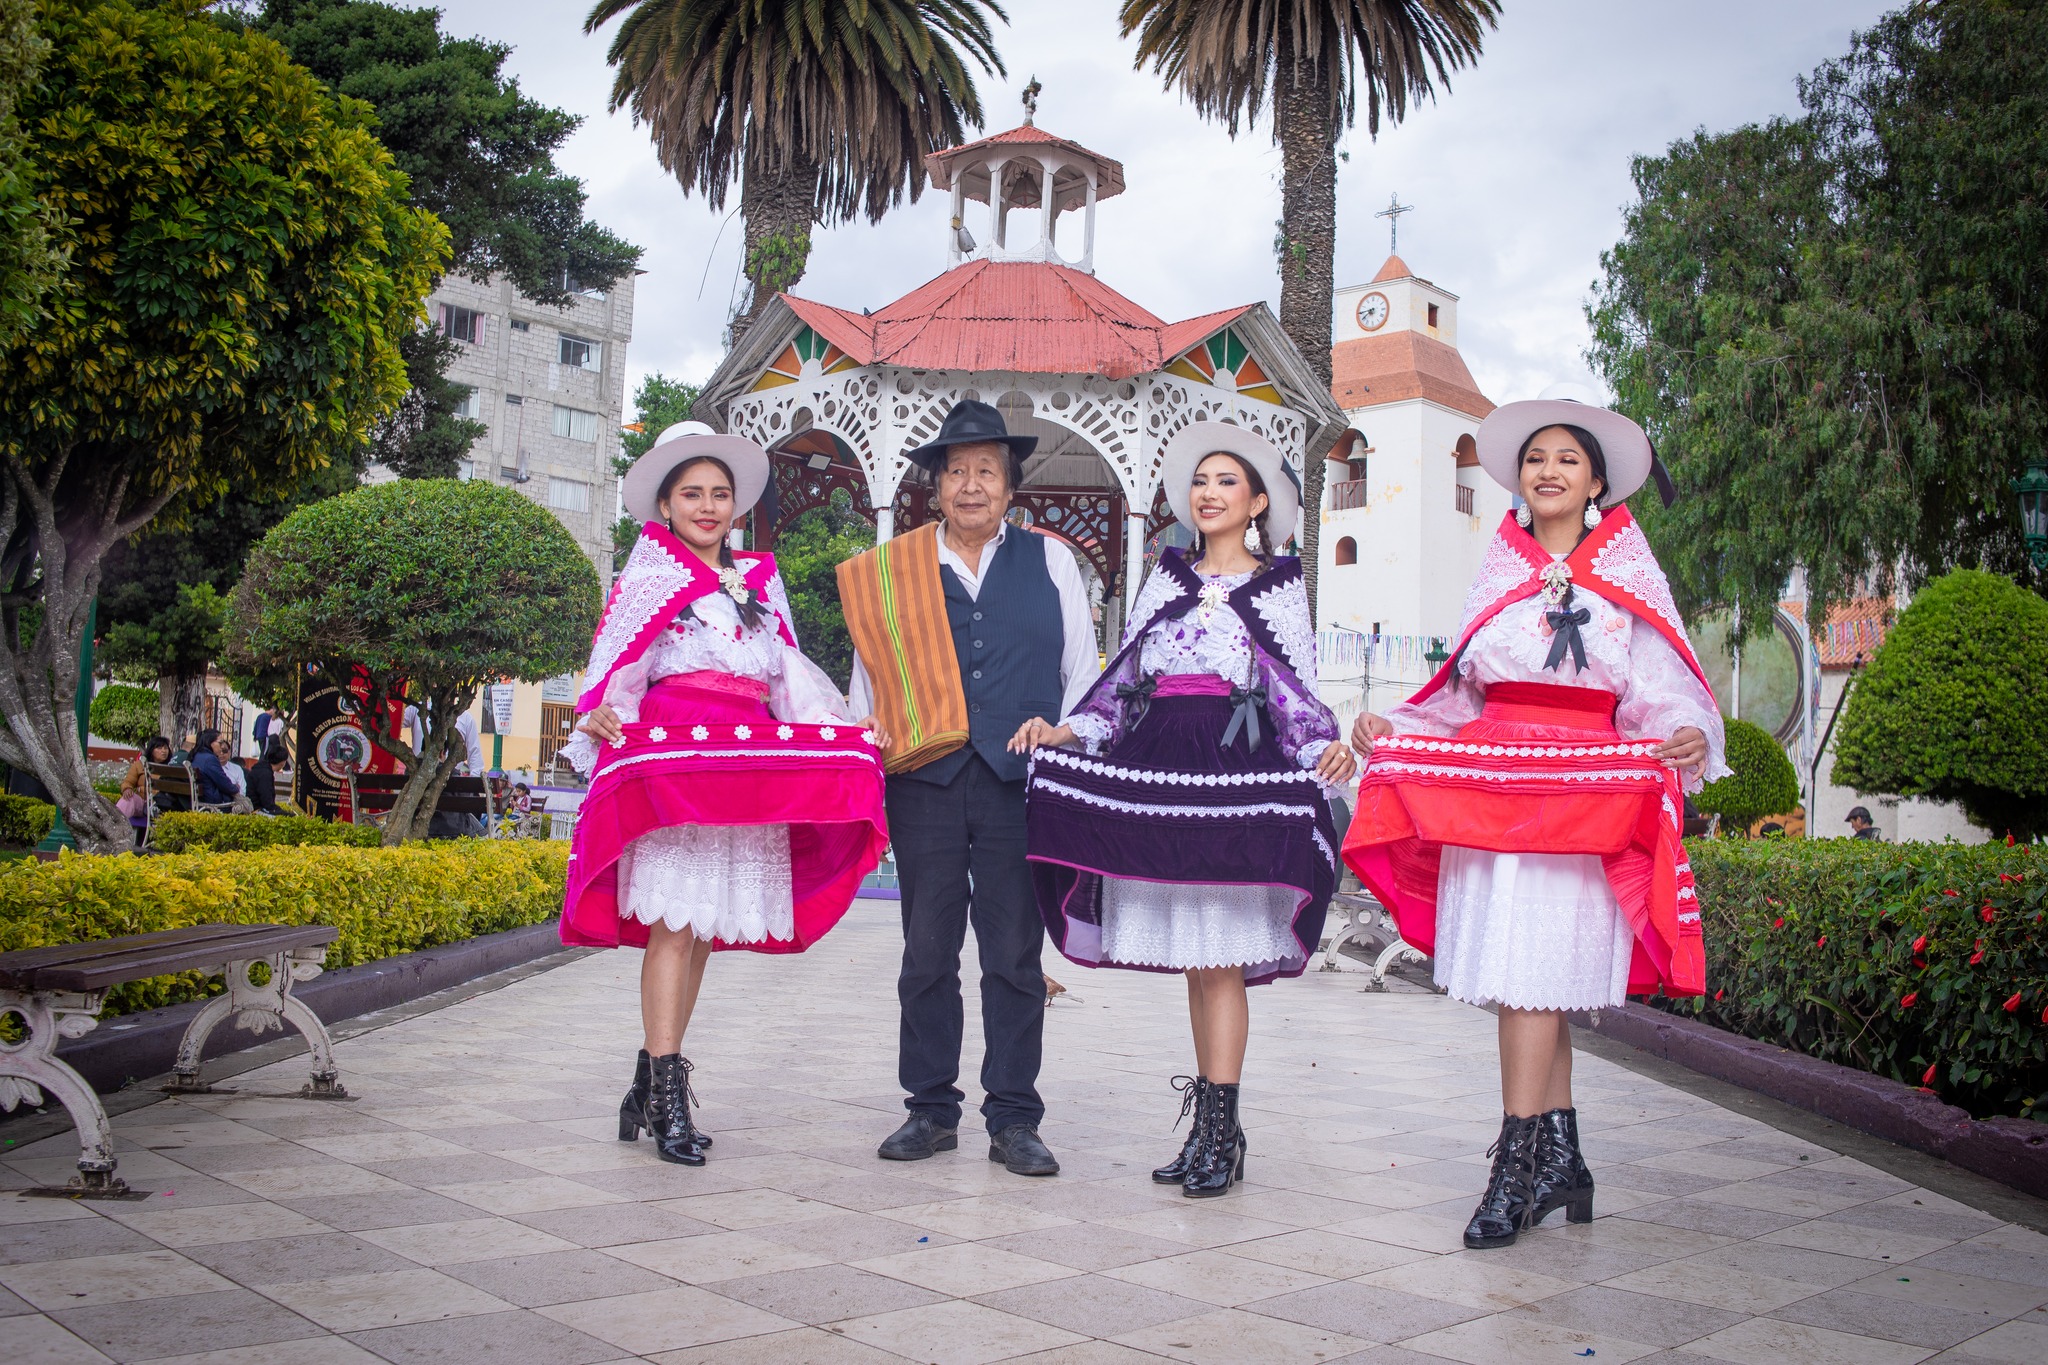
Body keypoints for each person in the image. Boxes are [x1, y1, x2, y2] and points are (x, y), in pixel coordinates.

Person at [1343, 383, 1727, 1251]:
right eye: (1537, 459)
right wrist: (1391, 728)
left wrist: (1686, 732)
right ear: (1519, 478)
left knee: (1530, 976)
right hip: (1496, 790)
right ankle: (1560, 1159)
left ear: (1597, 482)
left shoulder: (1630, 577)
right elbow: (1461, 691)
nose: (1549, 470)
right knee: (1531, 978)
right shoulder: (1501, 570)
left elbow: (1667, 684)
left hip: (1581, 796)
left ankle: (1515, 1167)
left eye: (1569, 459)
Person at [1012, 422, 1353, 1198]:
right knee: (1199, 966)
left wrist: (1323, 751)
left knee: (1219, 958)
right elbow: (1120, 688)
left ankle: (1222, 1134)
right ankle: (1210, 1130)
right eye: (1202, 481)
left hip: (1233, 772)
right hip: (1162, 766)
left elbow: (1292, 692)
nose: (1209, 492)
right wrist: (1064, 731)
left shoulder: (1280, 588)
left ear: (1259, 501)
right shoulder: (1163, 578)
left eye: (1228, 481)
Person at [561, 421, 889, 1166]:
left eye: (719, 494)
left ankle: (650, 1081)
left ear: (734, 505)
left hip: (742, 774)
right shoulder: (646, 580)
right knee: (674, 926)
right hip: (678, 769)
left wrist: (844, 727)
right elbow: (615, 671)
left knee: (700, 926)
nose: (707, 507)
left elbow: (788, 678)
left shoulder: (760, 582)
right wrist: (602, 708)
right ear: (666, 504)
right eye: (691, 494)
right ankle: (667, 1096)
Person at [840, 400, 1099, 1177]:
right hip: (925, 778)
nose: (972, 484)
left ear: (1009, 486)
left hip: (1018, 784)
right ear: (936, 486)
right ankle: (929, 1108)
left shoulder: (1052, 561)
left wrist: (1065, 731)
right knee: (926, 950)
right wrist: (868, 737)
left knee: (1016, 954)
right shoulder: (896, 570)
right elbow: (870, 680)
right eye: (957, 471)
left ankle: (1014, 1116)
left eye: (987, 470)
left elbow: (1083, 678)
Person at [189, 728, 249, 813]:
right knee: (245, 805)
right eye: (220, 743)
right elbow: (224, 782)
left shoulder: (197, 755)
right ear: (210, 743)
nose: (222, 746)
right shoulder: (210, 759)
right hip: (213, 803)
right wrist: (235, 788)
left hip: (202, 799)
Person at [246, 740, 288, 816]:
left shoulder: (262, 769)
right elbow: (266, 801)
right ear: (283, 762)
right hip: (257, 809)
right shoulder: (265, 773)